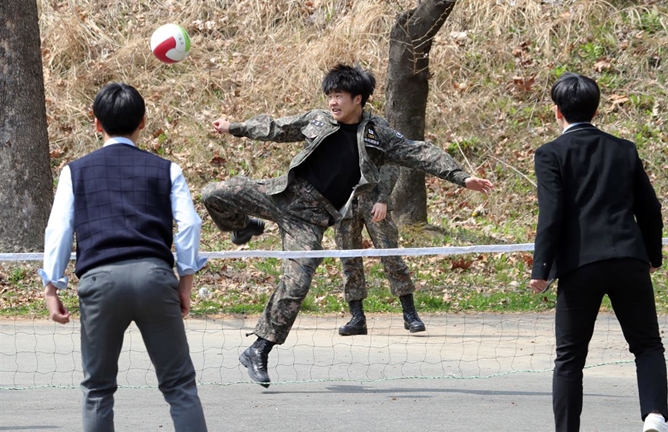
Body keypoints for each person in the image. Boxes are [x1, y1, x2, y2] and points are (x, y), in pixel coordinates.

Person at [205, 63, 494, 388]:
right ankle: (243, 228)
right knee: (214, 192)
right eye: (330, 95)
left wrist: (461, 177)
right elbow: (276, 127)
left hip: (310, 221)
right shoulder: (318, 119)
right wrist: (235, 127)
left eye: (339, 96)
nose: (333, 102)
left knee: (297, 284)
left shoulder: (377, 134)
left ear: (358, 99)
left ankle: (259, 348)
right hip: (279, 196)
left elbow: (419, 152)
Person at [40, 83, 208, 432]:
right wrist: (186, 281)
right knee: (179, 386)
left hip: (99, 282)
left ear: (96, 123)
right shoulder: (167, 169)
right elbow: (190, 224)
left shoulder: (75, 172)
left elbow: (58, 231)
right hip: (153, 278)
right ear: (143, 122)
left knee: (98, 390)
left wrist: (52, 286)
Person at [530, 72, 668, 432]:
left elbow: (552, 213)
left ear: (557, 111)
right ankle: (654, 416)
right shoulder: (623, 148)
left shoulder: (550, 154)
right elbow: (651, 208)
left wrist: (541, 268)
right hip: (629, 258)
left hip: (580, 266)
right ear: (595, 109)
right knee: (648, 346)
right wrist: (652, 256)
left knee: (570, 359)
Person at [334, 164, 425, 335]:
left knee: (391, 256)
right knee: (349, 261)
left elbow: (390, 162)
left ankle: (410, 315)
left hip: (373, 199)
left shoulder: (373, 135)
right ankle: (357, 318)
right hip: (345, 203)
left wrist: (383, 199)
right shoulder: (334, 137)